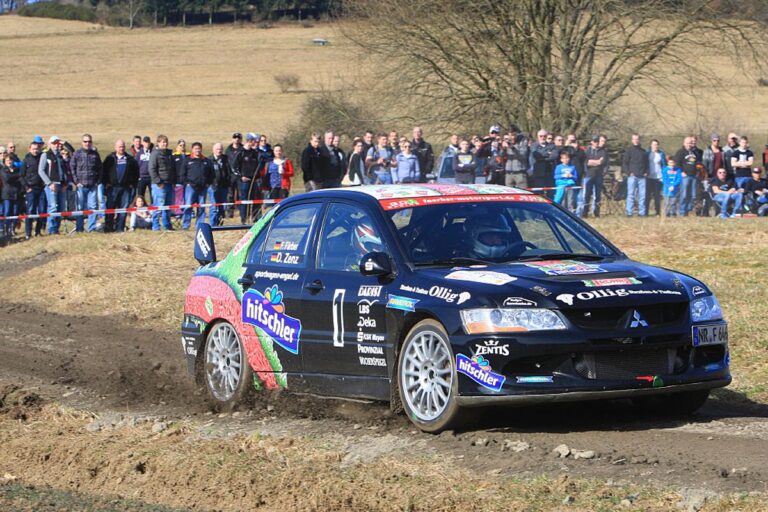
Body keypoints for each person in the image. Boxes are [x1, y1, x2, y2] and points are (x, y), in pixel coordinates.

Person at [102, 139, 139, 232]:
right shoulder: (109, 158)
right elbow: (103, 172)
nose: (121, 148)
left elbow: (136, 174)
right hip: (112, 188)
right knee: (110, 209)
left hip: (125, 189)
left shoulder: (130, 160)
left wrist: (132, 185)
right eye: (119, 147)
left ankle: (120, 228)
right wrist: (105, 184)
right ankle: (108, 228)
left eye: (123, 146)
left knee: (123, 210)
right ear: (115, 147)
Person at [70, 133, 102, 233]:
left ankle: (91, 228)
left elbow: (100, 168)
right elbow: (72, 168)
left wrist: (98, 181)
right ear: (82, 142)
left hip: (92, 185)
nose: (87, 143)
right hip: (81, 185)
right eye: (85, 141)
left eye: (89, 141)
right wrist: (76, 181)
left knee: (92, 207)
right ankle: (79, 228)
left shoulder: (95, 154)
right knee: (80, 207)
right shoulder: (77, 154)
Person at [38, 136, 69, 235]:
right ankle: (51, 229)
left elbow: (64, 171)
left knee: (61, 208)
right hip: (52, 185)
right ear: (50, 144)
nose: (56, 145)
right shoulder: (45, 155)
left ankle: (57, 228)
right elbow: (41, 171)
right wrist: (49, 183)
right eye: (54, 143)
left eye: (58, 143)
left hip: (62, 185)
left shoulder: (60, 156)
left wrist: (65, 183)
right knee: (53, 207)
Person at [180, 142, 214, 230]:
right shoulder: (187, 160)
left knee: (201, 208)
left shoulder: (206, 161)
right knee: (188, 207)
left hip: (202, 188)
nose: (197, 150)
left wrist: (207, 183)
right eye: (195, 148)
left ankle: (199, 226)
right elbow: (182, 173)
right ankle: (186, 225)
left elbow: (212, 174)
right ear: (192, 150)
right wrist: (186, 183)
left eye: (199, 148)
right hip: (190, 187)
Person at [148, 135, 176, 231]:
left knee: (168, 207)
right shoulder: (155, 154)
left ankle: (167, 225)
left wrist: (174, 181)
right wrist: (158, 182)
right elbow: (152, 169)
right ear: (158, 143)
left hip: (169, 184)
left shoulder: (169, 154)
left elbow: (173, 168)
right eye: (163, 142)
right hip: (159, 185)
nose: (165, 144)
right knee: (158, 206)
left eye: (166, 142)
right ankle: (155, 226)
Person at [232, 133, 261, 223]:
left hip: (254, 180)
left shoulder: (255, 153)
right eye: (254, 141)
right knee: (244, 199)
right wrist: (241, 177)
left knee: (255, 199)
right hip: (244, 181)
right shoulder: (240, 152)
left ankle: (255, 218)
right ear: (249, 141)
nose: (256, 143)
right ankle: (244, 219)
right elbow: (234, 167)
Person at [21, 137, 46, 239]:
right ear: (29, 149)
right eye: (33, 149)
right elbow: (21, 176)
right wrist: (26, 188)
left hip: (41, 188)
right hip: (31, 189)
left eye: (37, 149)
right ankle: (28, 233)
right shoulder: (26, 160)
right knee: (30, 211)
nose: (35, 150)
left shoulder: (42, 157)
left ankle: (38, 231)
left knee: (42, 210)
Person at [577, 135, 605, 218]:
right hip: (588, 175)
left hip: (599, 175)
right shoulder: (587, 151)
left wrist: (593, 162)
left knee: (597, 195)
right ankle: (585, 213)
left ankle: (596, 213)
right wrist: (596, 162)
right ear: (592, 142)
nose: (596, 143)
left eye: (597, 141)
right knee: (586, 195)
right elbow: (586, 162)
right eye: (595, 141)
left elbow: (603, 162)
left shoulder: (603, 151)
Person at [674, 136, 701, 216]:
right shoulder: (680, 152)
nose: (689, 144)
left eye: (690, 143)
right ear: (684, 143)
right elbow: (677, 163)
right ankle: (682, 212)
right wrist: (681, 172)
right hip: (685, 176)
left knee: (693, 195)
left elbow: (698, 163)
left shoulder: (694, 153)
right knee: (684, 194)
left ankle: (689, 210)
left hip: (694, 176)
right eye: (687, 143)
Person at [623, 134, 649, 217]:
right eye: (634, 139)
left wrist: (646, 172)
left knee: (642, 196)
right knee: (630, 195)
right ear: (632, 140)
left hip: (642, 177)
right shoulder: (629, 151)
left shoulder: (643, 151)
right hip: (632, 176)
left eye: (637, 139)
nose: (636, 140)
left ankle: (642, 213)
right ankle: (629, 212)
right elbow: (625, 163)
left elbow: (647, 163)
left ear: (639, 140)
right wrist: (629, 172)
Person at [208, 142, 231, 226]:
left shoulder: (226, 159)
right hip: (213, 186)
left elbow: (229, 172)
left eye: (220, 149)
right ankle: (213, 224)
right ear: (213, 150)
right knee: (214, 207)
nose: (219, 151)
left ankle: (220, 223)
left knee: (222, 207)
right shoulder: (209, 160)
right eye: (217, 149)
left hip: (223, 186)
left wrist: (228, 181)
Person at [1, 155, 23, 238]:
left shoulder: (17, 169)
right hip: (7, 194)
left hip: (16, 194)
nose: (9, 162)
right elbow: (7, 179)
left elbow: (21, 178)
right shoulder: (3, 170)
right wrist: (17, 177)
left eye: (10, 160)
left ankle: (12, 229)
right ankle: (6, 229)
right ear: (5, 162)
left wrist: (16, 177)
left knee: (15, 212)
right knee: (7, 212)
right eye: (7, 160)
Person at [225, 132, 243, 218]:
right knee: (230, 194)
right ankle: (230, 211)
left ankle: (241, 210)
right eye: (235, 137)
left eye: (238, 138)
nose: (237, 139)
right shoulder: (228, 150)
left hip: (240, 175)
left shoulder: (243, 149)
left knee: (240, 194)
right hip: (230, 175)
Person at [646, 139, 666, 216]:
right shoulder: (647, 154)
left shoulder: (661, 154)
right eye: (654, 144)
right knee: (647, 196)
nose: (655, 146)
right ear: (651, 145)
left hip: (658, 178)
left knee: (657, 196)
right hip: (649, 177)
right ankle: (646, 212)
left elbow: (664, 165)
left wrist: (664, 176)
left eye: (657, 145)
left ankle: (657, 212)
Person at [135, 136, 153, 203]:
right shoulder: (139, 153)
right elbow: (136, 165)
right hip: (142, 177)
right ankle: (140, 211)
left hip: (151, 177)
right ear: (143, 143)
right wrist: (137, 176)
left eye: (148, 142)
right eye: (145, 142)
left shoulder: (153, 152)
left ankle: (153, 211)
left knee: (152, 196)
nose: (147, 144)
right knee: (140, 196)